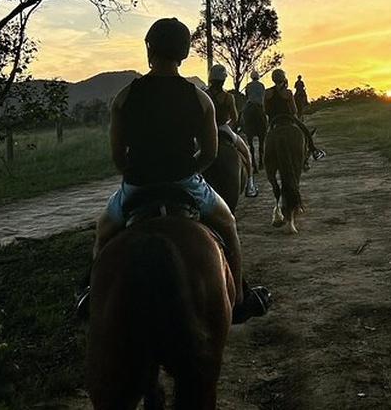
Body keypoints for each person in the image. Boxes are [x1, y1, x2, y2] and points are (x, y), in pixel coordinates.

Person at [75, 17, 270, 323]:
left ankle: (92, 295)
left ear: (149, 49)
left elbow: (117, 155)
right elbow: (210, 153)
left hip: (137, 186)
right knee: (229, 226)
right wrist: (188, 171)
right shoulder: (200, 98)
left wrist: (135, 174)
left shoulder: (124, 97)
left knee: (103, 232)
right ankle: (239, 301)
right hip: (185, 183)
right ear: (184, 53)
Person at [205, 64, 258, 198]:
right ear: (223, 80)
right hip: (224, 128)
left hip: (207, 130)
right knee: (246, 152)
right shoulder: (228, 97)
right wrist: (229, 126)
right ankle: (250, 185)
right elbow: (234, 118)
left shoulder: (204, 95)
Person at [264, 68, 326, 166]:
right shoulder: (288, 93)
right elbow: (294, 110)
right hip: (288, 119)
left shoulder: (267, 92)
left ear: (273, 79)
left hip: (273, 121)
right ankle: (314, 150)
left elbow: (266, 110)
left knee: (265, 138)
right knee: (305, 130)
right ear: (283, 78)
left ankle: (266, 160)